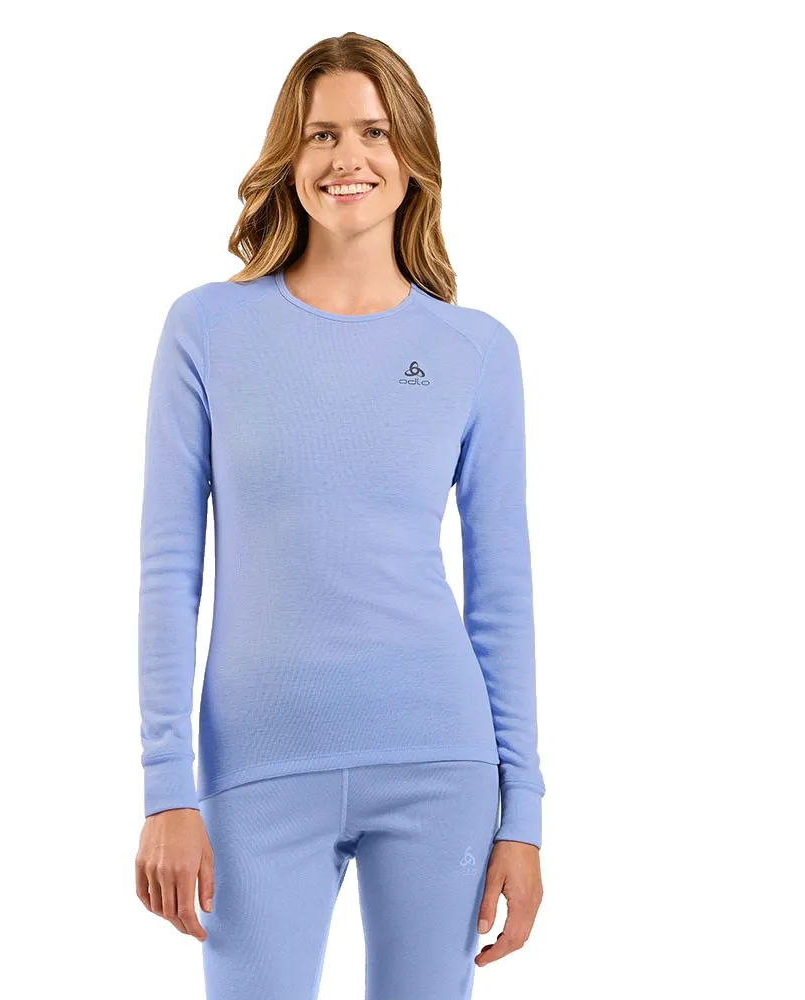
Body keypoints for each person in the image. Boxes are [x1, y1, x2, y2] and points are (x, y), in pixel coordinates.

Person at [134, 31, 545, 1000]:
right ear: (291, 154)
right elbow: (168, 570)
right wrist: (165, 787)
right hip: (257, 770)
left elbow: (502, 592)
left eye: (374, 131)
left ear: (413, 156)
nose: (347, 157)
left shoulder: (476, 350)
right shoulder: (208, 329)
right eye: (322, 134)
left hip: (440, 764)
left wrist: (522, 814)